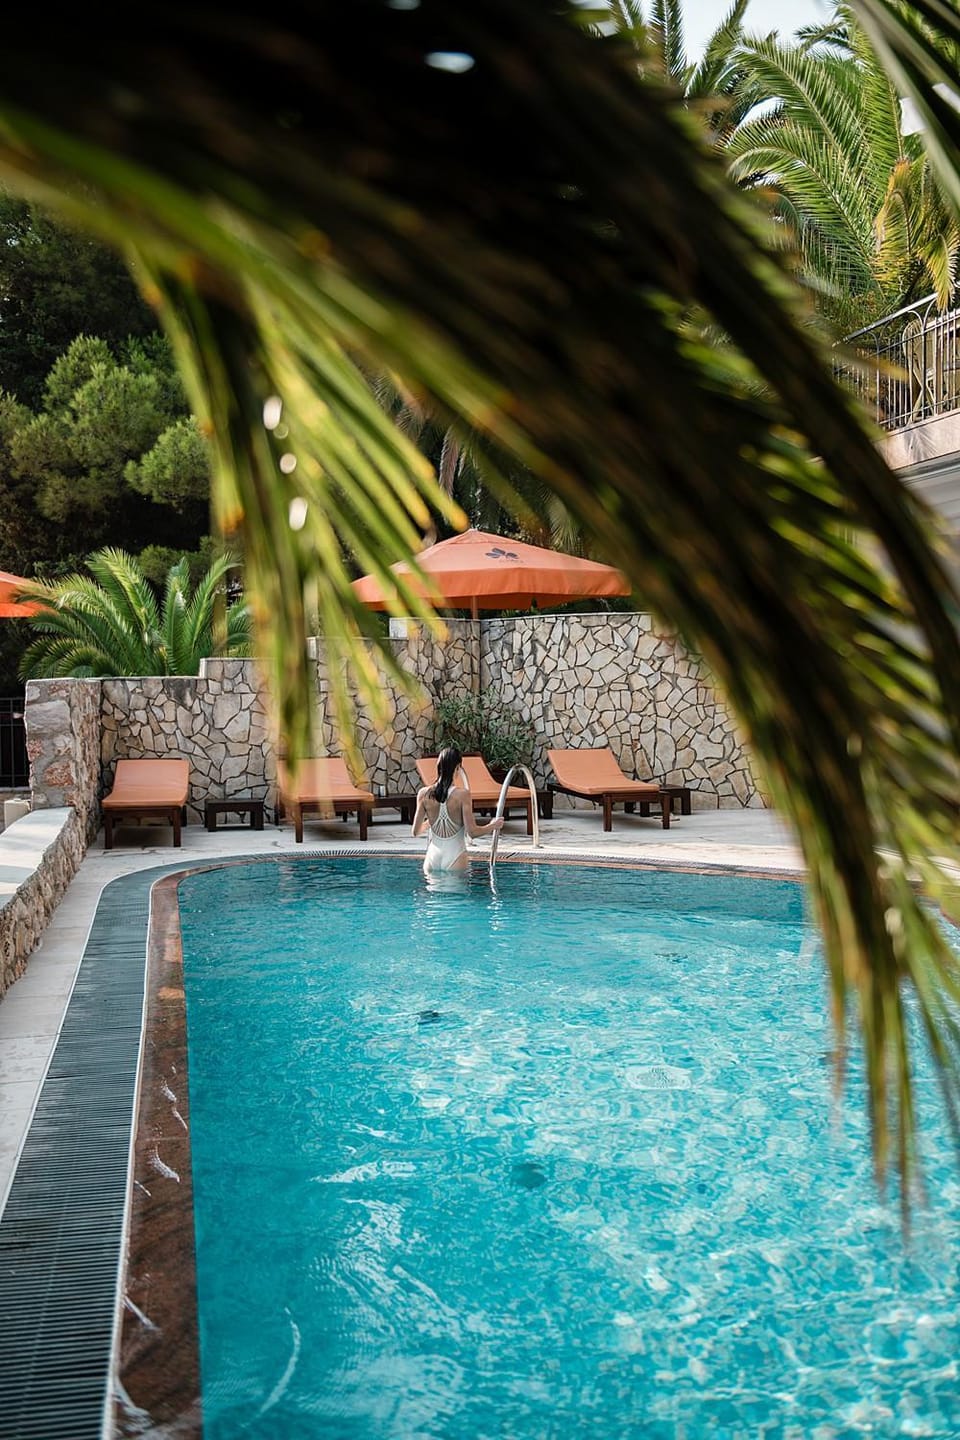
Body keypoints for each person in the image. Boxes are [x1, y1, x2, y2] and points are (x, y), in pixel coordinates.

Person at [412, 746, 504, 874]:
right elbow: (472, 832)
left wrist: (430, 822)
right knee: (456, 895)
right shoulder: (462, 795)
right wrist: (493, 825)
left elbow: (415, 832)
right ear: (457, 768)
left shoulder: (423, 794)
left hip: (432, 858)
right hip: (455, 857)